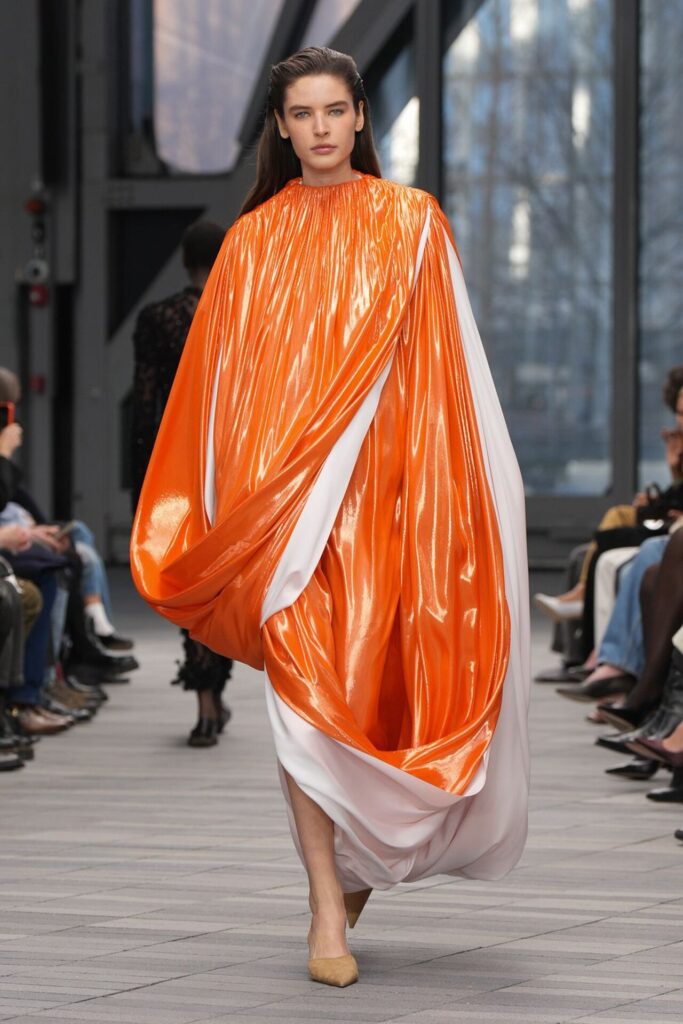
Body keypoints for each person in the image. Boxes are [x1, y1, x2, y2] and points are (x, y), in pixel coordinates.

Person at [131, 47, 529, 987]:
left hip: (388, 504)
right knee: (305, 707)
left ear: (359, 118)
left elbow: (448, 377)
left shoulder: (412, 222)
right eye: (301, 113)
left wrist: (460, 498)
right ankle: (323, 903)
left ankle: (353, 869)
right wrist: (245, 505)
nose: (319, 128)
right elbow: (224, 394)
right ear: (280, 126)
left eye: (334, 110)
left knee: (377, 701)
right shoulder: (252, 241)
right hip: (288, 516)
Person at [131, 220, 233, 748]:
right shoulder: (244, 314)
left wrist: (141, 479)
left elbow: (145, 403)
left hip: (175, 466)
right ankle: (214, 687)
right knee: (219, 578)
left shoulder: (157, 319)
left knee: (185, 577)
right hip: (229, 464)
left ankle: (206, 702)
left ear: (185, 260)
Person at [534, 365, 683, 624]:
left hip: (674, 526)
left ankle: (582, 597)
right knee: (610, 529)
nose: (681, 420)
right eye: (680, 413)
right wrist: (671, 472)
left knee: (612, 541)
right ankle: (582, 599)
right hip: (670, 521)